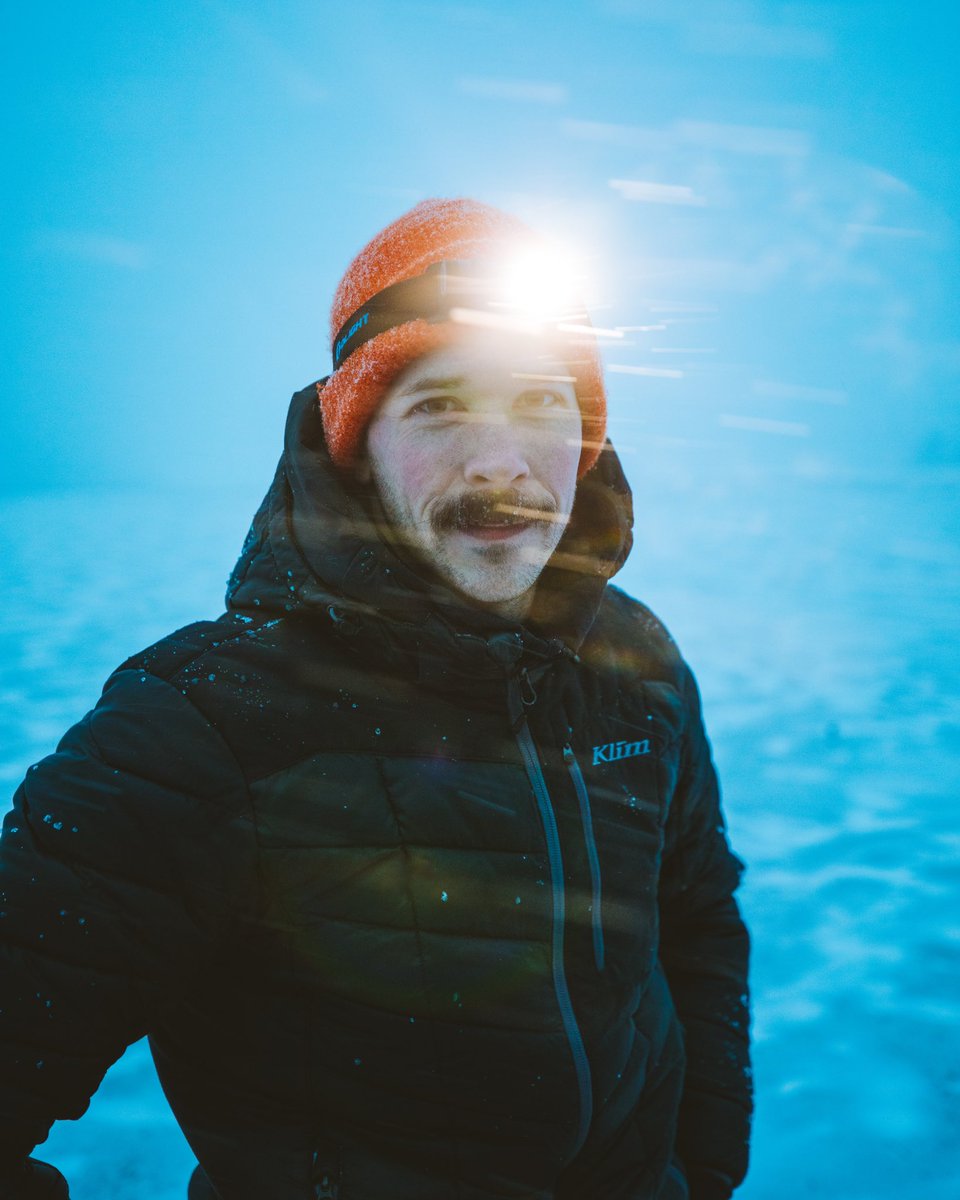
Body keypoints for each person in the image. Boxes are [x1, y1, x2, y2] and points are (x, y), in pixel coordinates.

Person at [0, 199, 751, 1200]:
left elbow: (695, 918)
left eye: (539, 402)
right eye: (441, 407)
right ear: (353, 441)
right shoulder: (201, 726)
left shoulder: (636, 663)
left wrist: (701, 1169)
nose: (500, 463)